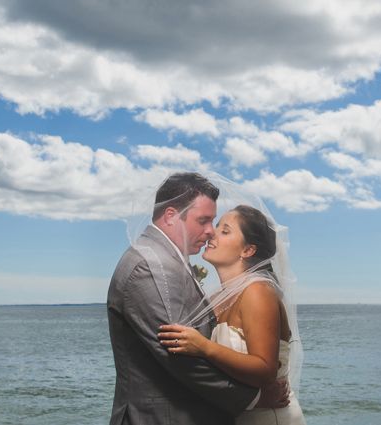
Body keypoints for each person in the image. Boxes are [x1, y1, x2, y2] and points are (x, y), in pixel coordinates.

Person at [107, 172, 288, 425]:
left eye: (216, 224)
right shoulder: (150, 266)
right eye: (203, 221)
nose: (210, 232)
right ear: (171, 216)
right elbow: (179, 357)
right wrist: (254, 398)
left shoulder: (168, 262)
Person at [158, 204, 306, 424]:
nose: (211, 233)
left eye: (224, 231)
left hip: (268, 417)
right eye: (216, 227)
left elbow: (265, 370)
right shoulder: (216, 298)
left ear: (248, 250)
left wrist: (204, 347)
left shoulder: (258, 291)